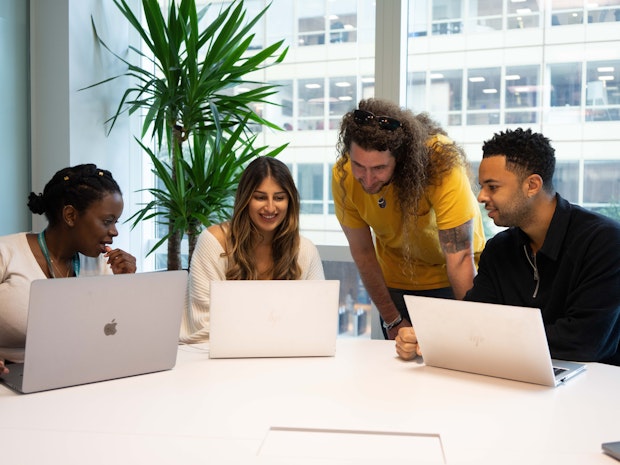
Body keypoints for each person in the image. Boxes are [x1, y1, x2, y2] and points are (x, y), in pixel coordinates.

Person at [396, 128, 620, 365]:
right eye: (481, 186)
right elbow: (475, 320)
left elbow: (585, 342)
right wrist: (428, 336)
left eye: (492, 187)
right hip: (517, 378)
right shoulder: (499, 249)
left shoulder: (605, 242)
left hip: (595, 385)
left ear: (532, 185)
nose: (481, 197)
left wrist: (490, 338)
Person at [332, 98, 486, 340]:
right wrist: (392, 320)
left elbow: (460, 257)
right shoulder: (343, 175)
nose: (368, 180)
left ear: (401, 160)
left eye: (380, 168)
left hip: (454, 279)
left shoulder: (440, 161)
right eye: (359, 165)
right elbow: (362, 252)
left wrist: (475, 329)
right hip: (397, 282)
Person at [0, 164, 137, 375]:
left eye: (116, 222)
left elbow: (115, 334)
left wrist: (125, 285)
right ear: (70, 215)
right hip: (9, 378)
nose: (115, 232)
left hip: (76, 374)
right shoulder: (7, 253)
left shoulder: (103, 265)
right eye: (107, 221)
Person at [180, 157, 325, 343]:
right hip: (208, 355)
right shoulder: (213, 242)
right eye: (260, 197)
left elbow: (317, 320)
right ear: (245, 199)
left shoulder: (304, 250)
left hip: (281, 354)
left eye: (279, 198)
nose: (270, 207)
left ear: (290, 202)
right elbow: (204, 325)